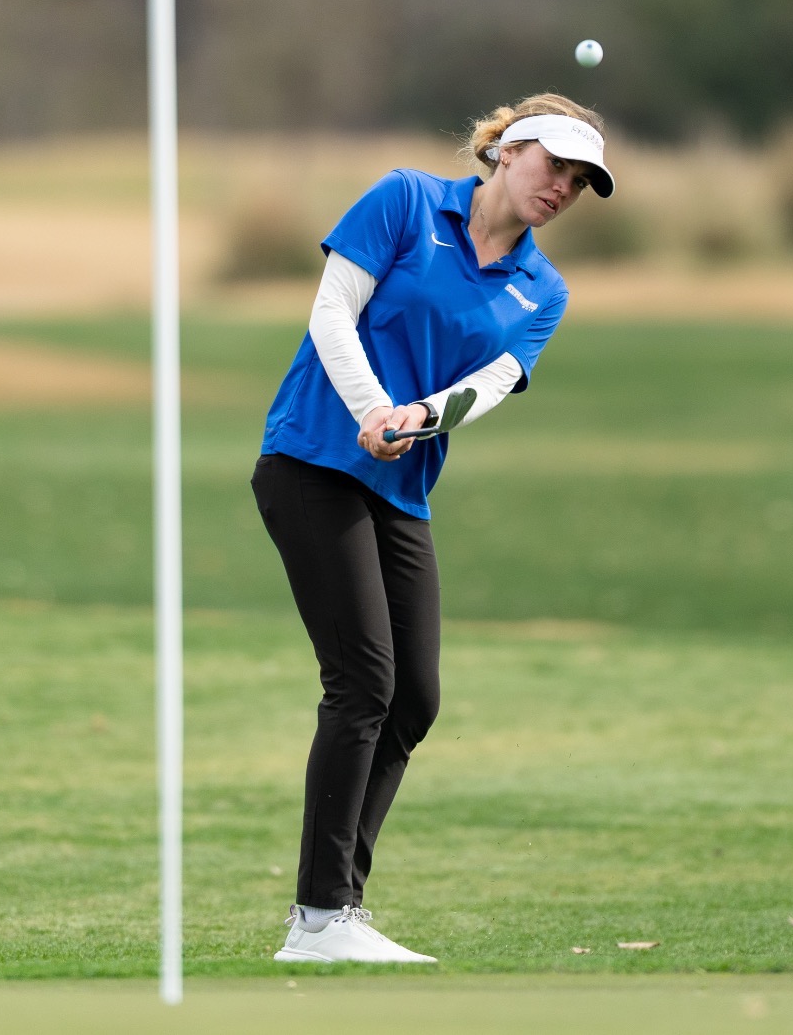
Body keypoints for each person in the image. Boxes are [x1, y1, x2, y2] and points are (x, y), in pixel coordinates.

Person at [251, 93, 615, 963]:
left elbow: (489, 383)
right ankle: (320, 917)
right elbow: (330, 313)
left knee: (414, 696)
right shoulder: (406, 201)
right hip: (311, 462)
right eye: (553, 166)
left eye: (580, 181)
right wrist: (374, 407)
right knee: (364, 681)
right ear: (508, 148)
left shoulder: (542, 289)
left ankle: (335, 910)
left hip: (399, 487)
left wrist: (418, 416)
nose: (562, 188)